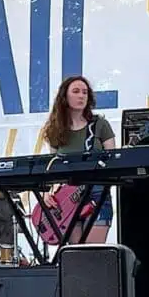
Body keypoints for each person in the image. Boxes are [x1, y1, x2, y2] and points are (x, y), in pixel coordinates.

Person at [40, 75, 116, 243]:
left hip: (97, 193)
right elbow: (54, 168)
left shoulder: (100, 125)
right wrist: (50, 193)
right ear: (64, 97)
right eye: (76, 91)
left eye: (85, 92)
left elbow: (113, 162)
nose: (81, 96)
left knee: (91, 253)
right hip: (68, 198)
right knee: (75, 256)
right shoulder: (55, 130)